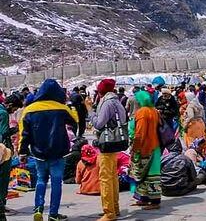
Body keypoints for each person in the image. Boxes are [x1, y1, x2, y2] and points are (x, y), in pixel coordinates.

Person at [19, 79, 78, 221]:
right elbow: (74, 122)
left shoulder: (29, 110)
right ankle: (53, 214)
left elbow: (24, 134)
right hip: (58, 152)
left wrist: (22, 152)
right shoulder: (61, 108)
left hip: (39, 153)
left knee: (41, 179)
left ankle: (38, 208)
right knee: (57, 182)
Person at [88, 78, 128, 221]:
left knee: (105, 178)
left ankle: (109, 212)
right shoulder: (117, 102)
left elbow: (99, 124)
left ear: (101, 91)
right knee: (112, 177)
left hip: (106, 144)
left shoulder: (107, 103)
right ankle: (114, 208)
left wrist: (90, 111)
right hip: (115, 143)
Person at [128, 91, 162, 210]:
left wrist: (135, 148)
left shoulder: (142, 112)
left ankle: (154, 201)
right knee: (149, 175)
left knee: (146, 175)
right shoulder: (154, 110)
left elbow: (140, 134)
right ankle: (144, 198)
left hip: (145, 148)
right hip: (155, 146)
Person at [0, 94, 20, 218]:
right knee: (3, 180)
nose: (14, 112)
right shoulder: (3, 113)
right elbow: (4, 132)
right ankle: (1, 205)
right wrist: (15, 129)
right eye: (15, 109)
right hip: (3, 151)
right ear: (11, 105)